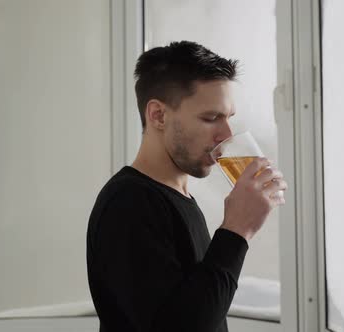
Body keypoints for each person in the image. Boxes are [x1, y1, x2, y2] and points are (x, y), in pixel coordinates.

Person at [86, 41, 287, 332]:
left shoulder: (177, 199)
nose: (226, 135)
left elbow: (200, 307)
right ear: (158, 115)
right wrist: (236, 231)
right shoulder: (129, 203)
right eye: (210, 118)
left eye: (228, 117)